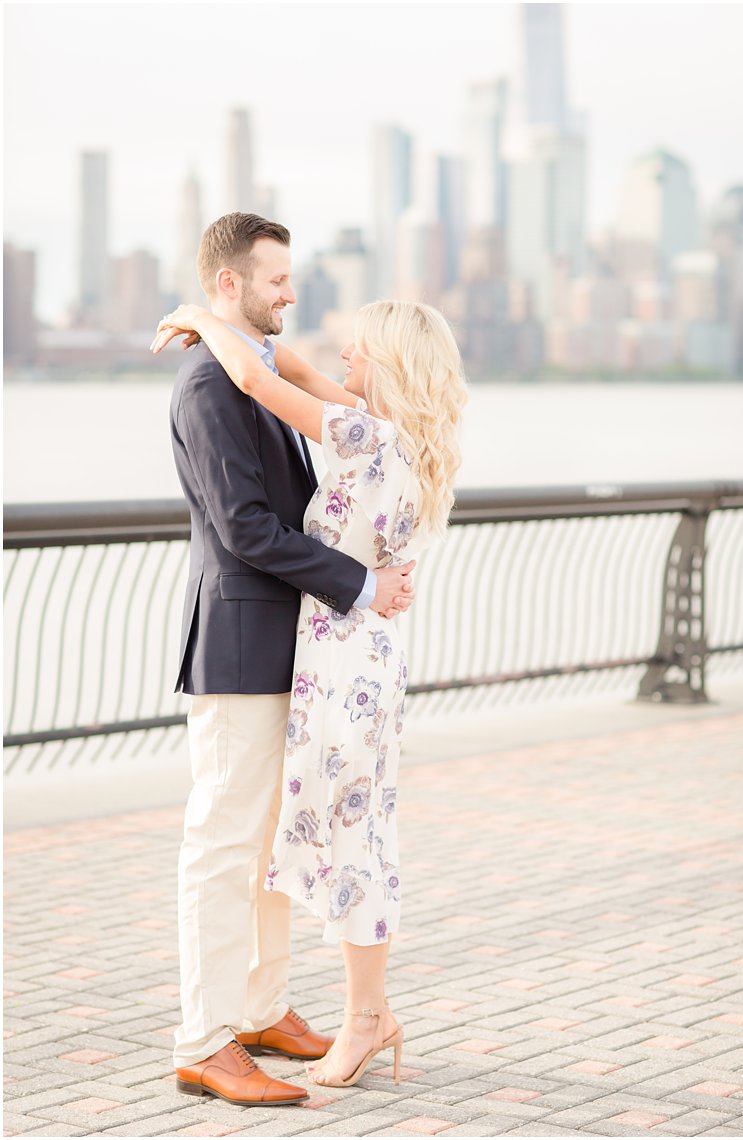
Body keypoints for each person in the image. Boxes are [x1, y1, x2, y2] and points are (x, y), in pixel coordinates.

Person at [163, 213, 418, 1107]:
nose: (291, 292)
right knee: (222, 844)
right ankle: (204, 1038)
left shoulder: (255, 371)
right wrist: (360, 584)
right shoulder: (207, 385)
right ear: (230, 285)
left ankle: (263, 1008)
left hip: (296, 652)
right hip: (239, 648)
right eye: (276, 279)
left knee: (271, 845)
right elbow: (244, 529)